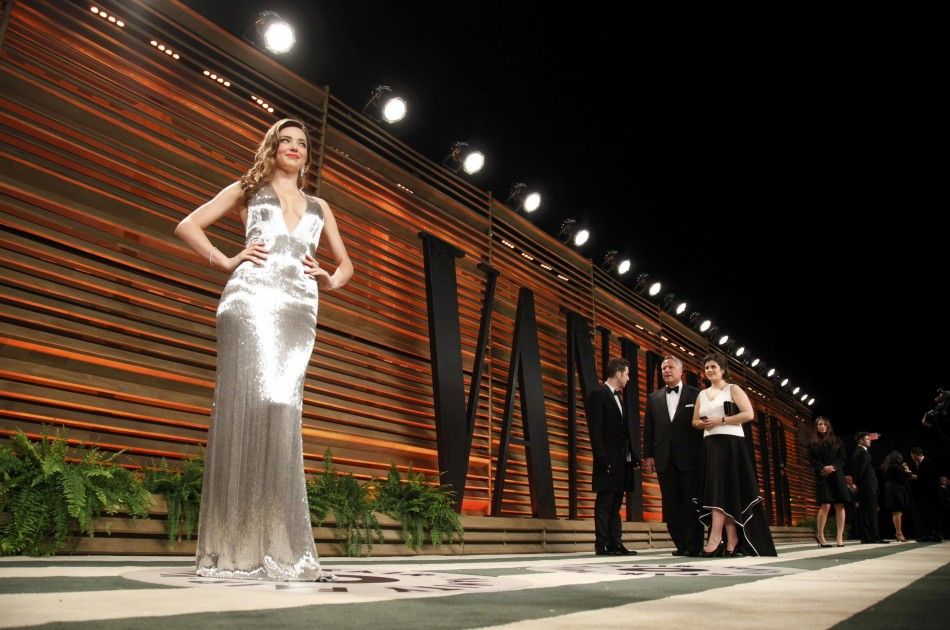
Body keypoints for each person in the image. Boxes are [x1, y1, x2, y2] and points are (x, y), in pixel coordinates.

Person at [175, 118, 352, 581]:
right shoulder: (247, 189)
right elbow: (187, 225)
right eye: (285, 141)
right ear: (272, 149)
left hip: (299, 310)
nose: (293, 148)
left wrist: (331, 279)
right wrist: (225, 259)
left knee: (281, 407)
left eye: (301, 143)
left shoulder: (320, 205)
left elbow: (347, 263)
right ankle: (232, 546)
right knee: (245, 407)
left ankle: (274, 541)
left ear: (306, 156)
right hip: (250, 300)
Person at [691, 353, 776, 557]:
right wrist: (703, 423)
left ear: (722, 369)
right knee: (720, 490)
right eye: (707, 367)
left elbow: (749, 414)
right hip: (711, 444)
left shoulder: (733, 389)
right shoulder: (702, 394)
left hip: (731, 443)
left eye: (713, 367)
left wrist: (721, 420)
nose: (709, 370)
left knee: (726, 490)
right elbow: (694, 421)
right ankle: (731, 540)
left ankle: (715, 538)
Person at [642, 355, 703, 556]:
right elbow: (649, 429)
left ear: (680, 371)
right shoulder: (653, 398)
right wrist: (648, 456)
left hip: (690, 459)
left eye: (670, 368)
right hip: (663, 458)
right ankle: (680, 545)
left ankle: (694, 545)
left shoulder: (696, 395)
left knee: (691, 502)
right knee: (671, 504)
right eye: (663, 369)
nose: (666, 371)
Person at [585, 357, 638, 556]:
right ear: (618, 374)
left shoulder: (618, 397)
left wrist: (632, 454)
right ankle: (602, 544)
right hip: (606, 459)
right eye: (627, 374)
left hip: (621, 459)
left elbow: (624, 431)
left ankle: (616, 543)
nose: (628, 378)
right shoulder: (598, 394)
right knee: (605, 502)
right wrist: (601, 457)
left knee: (616, 503)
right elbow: (595, 430)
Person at [806, 416, 849, 547]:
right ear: (816, 426)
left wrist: (834, 467)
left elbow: (842, 458)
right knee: (825, 505)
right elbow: (811, 460)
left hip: (837, 475)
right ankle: (820, 535)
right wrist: (823, 468)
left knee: (840, 505)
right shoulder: (812, 442)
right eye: (819, 424)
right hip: (822, 475)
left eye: (824, 424)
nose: (822, 426)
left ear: (828, 426)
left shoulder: (837, 441)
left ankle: (839, 537)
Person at [850, 432, 888, 544]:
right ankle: (873, 536)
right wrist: (856, 483)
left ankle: (867, 537)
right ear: (861, 441)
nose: (870, 440)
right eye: (867, 439)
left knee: (866, 511)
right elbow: (859, 470)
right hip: (867, 486)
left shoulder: (860, 452)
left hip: (866, 485)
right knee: (870, 511)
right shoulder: (862, 453)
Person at [908, 447, 942, 542]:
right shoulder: (915, 464)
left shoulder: (929, 463)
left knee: (932, 514)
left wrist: (917, 477)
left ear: (916, 454)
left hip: (930, 494)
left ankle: (936, 534)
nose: (911, 458)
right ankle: (926, 534)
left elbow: (932, 477)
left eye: (912, 456)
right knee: (923, 515)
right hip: (920, 494)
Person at [881, 450, 913, 542]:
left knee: (896, 513)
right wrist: (906, 468)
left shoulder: (887, 466)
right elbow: (908, 475)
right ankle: (899, 533)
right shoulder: (895, 467)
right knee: (898, 512)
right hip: (896, 491)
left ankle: (897, 532)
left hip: (891, 490)